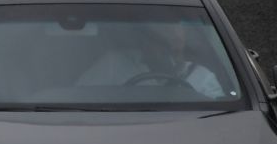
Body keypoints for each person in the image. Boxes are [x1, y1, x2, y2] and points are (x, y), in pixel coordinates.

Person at [76, 18, 229, 98]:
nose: (168, 55)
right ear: (145, 42)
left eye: (173, 49)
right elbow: (79, 95)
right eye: (161, 44)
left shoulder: (203, 77)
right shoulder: (115, 64)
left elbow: (219, 119)